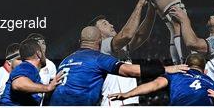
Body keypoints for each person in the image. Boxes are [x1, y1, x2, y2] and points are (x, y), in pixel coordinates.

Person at [49, 26, 188, 106]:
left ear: (80, 41)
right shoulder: (98, 58)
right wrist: (166, 68)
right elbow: (129, 71)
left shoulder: (65, 60)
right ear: (99, 41)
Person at [92, 0, 156, 106]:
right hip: (114, 104)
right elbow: (127, 35)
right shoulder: (102, 47)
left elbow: (141, 36)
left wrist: (152, 8)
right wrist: (140, 3)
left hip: (130, 102)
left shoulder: (120, 48)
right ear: (97, 33)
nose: (111, 25)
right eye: (105, 24)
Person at [109, 53, 214, 106]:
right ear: (205, 70)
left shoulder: (176, 74)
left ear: (185, 66)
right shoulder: (213, 84)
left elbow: (153, 85)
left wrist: (127, 94)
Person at [170, 4, 214, 86]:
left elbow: (192, 43)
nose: (211, 16)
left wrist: (184, 19)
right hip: (197, 86)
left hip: (206, 91)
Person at [0, 39, 62, 106]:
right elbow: (18, 84)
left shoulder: (30, 71)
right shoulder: (26, 66)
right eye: (43, 53)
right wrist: (48, 87)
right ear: (39, 54)